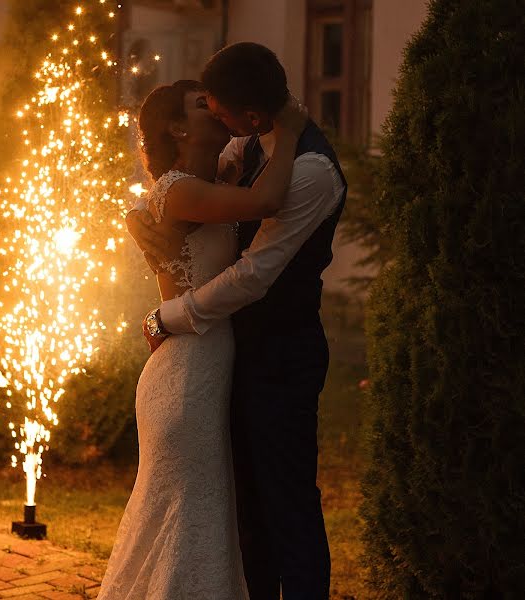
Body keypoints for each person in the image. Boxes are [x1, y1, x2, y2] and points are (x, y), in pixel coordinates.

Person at [128, 43, 347, 600]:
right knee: (234, 507)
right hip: (208, 361)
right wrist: (140, 221)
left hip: (277, 356)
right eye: (204, 105)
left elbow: (253, 274)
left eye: (215, 105)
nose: (214, 113)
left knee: (285, 504)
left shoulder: (312, 171)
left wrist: (168, 316)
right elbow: (178, 197)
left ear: (249, 115)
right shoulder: (243, 147)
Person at [97, 78, 307, 600]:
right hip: (187, 374)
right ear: (175, 127)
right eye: (199, 105)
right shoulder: (179, 191)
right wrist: (292, 127)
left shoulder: (205, 181)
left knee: (189, 515)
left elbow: (236, 152)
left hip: (199, 359)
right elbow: (270, 198)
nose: (214, 109)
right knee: (192, 514)